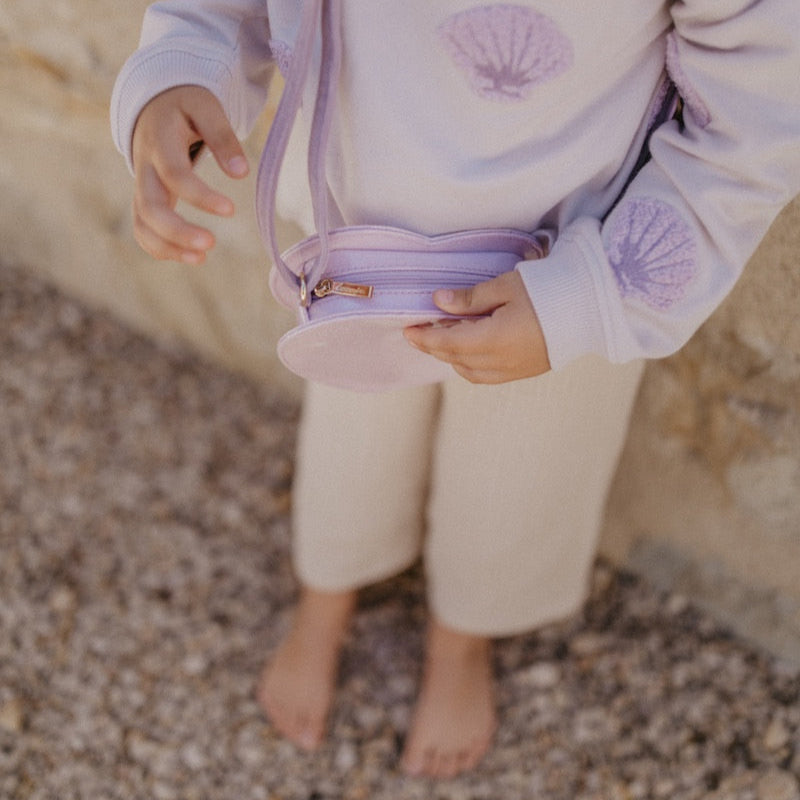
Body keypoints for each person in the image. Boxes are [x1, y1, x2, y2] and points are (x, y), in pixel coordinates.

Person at [112, 0, 800, 779]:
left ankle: (460, 636)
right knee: (352, 435)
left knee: (522, 474)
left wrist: (592, 292)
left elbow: (756, 104)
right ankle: (327, 593)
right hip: (363, 232)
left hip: (566, 256)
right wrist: (182, 70)